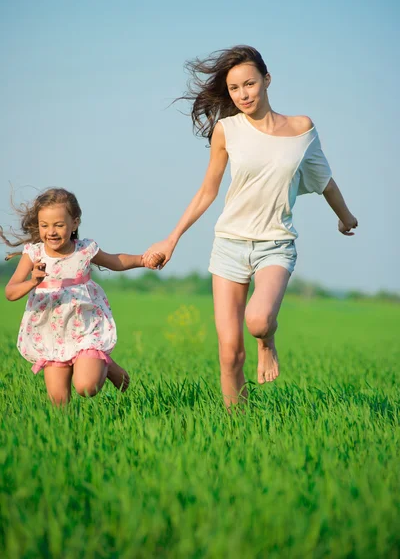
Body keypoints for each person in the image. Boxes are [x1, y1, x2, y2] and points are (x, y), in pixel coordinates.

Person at [142, 45, 358, 408]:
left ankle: (267, 341)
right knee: (229, 354)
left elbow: (325, 181)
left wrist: (345, 216)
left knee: (257, 321)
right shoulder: (227, 130)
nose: (243, 94)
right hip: (229, 245)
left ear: (267, 80)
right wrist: (172, 238)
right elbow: (207, 191)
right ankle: (236, 426)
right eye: (234, 88)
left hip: (275, 244)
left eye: (250, 84)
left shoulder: (301, 128)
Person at [2, 187, 163, 405]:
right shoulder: (34, 253)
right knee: (59, 404)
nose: (51, 231)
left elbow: (115, 261)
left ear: (74, 223)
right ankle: (71, 434)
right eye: (45, 225)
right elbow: (10, 292)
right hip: (51, 332)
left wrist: (143, 260)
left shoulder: (84, 250)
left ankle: (103, 361)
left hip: (85, 329)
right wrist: (32, 282)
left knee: (86, 387)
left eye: (59, 225)